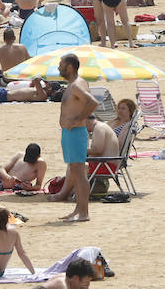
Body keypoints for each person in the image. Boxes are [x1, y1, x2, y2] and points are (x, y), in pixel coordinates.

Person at [57, 53, 98, 222]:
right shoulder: (75, 84)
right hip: (70, 133)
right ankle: (78, 210)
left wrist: (78, 119)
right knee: (75, 172)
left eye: (61, 64)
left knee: (79, 173)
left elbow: (92, 102)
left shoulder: (75, 86)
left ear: (70, 67)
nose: (58, 68)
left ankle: (84, 213)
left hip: (75, 133)